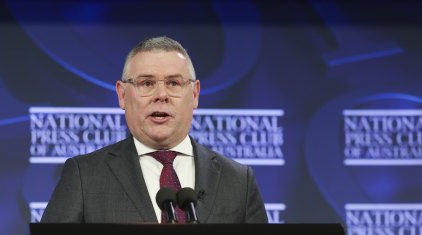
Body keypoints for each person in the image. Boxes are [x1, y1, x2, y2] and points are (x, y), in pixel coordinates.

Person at [41, 36, 267, 223]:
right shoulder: (84, 176)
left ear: (195, 94)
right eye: (147, 83)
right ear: (122, 95)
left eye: (174, 83)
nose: (161, 95)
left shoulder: (238, 180)